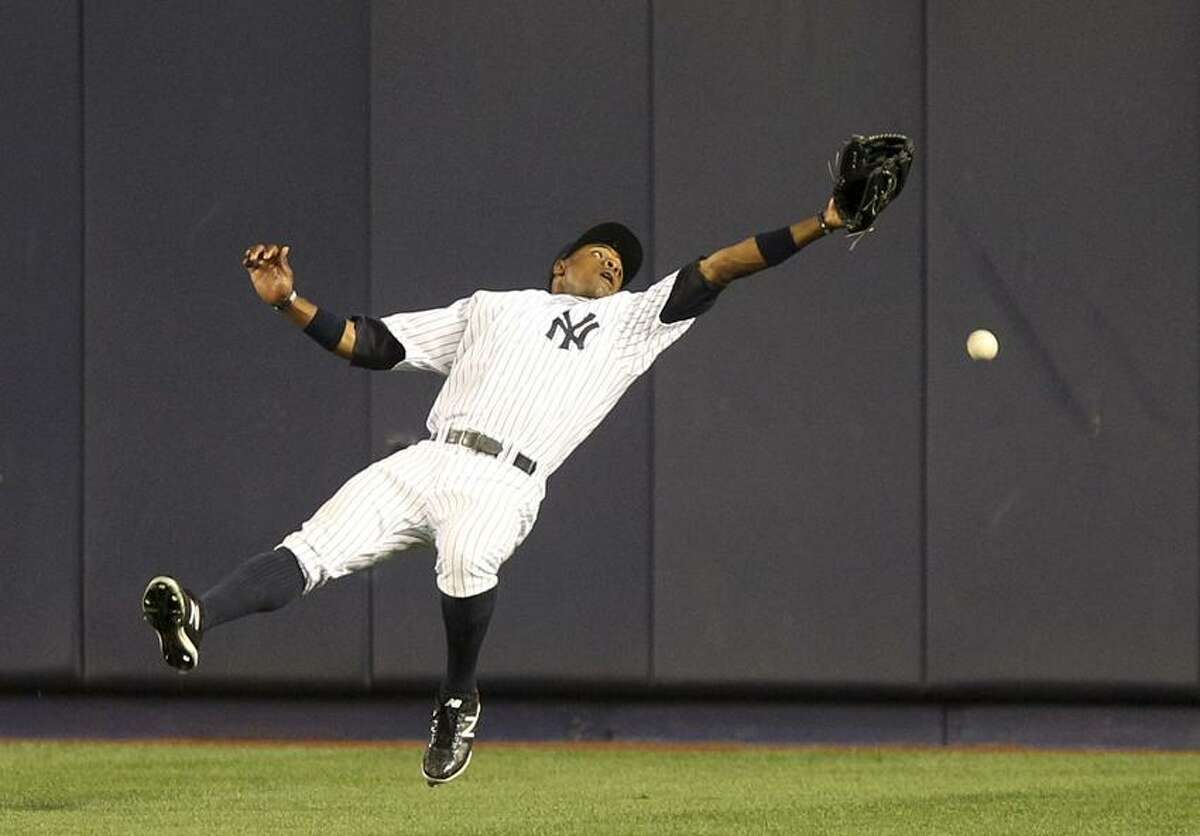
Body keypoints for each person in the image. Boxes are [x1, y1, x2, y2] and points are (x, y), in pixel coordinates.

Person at [141, 188, 866, 786]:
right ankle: (201, 614)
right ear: (562, 265)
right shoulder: (492, 306)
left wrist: (825, 222)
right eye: (602, 252)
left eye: (624, 262)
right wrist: (288, 303)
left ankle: (458, 696)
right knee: (312, 548)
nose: (615, 262)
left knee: (463, 562)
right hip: (429, 458)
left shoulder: (633, 321)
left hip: (504, 480)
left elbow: (723, 266)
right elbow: (375, 345)